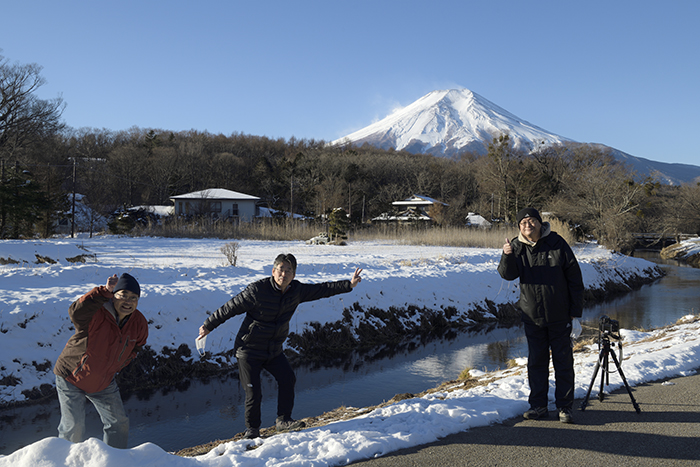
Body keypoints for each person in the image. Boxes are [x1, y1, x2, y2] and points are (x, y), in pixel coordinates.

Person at [198, 253, 363, 439]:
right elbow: (230, 307)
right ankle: (252, 431)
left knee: (287, 379)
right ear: (273, 271)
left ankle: (283, 421)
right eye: (281, 270)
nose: (283, 274)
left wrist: (348, 285)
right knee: (253, 391)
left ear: (293, 275)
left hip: (273, 349)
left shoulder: (297, 291)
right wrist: (208, 325)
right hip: (249, 349)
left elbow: (321, 289)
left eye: (288, 271)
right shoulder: (257, 290)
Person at [498, 208, 584, 424]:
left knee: (563, 363)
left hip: (560, 315)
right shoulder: (516, 247)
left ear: (540, 223)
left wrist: (575, 314)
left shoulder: (557, 243)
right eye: (523, 222)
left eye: (532, 221)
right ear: (519, 227)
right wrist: (506, 255)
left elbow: (575, 278)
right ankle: (538, 406)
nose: (528, 225)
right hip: (532, 316)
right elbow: (507, 275)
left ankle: (565, 408)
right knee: (537, 363)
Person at [53, 273, 148, 448]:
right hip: (72, 376)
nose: (128, 301)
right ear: (113, 296)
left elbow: (137, 346)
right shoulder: (97, 312)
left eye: (134, 298)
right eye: (123, 295)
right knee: (74, 426)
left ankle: (113, 460)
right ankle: (65, 462)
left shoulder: (139, 322)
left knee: (119, 423)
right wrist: (103, 291)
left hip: (104, 381)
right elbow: (75, 312)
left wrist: (118, 365)